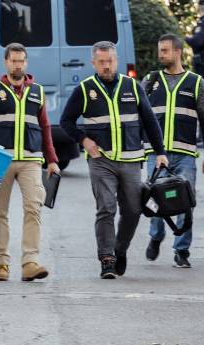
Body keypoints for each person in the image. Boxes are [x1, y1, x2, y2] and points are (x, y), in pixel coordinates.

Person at [60, 41, 169, 280]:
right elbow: (66, 121)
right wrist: (84, 140)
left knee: (132, 210)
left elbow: (150, 121)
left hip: (131, 159)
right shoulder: (84, 89)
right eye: (101, 62)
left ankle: (120, 250)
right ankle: (107, 258)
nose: (106, 66)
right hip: (101, 160)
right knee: (106, 208)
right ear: (93, 63)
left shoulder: (133, 86)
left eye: (110, 61)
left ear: (116, 60)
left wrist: (160, 152)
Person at [0, 43, 60, 282]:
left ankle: (30, 262)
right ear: (6, 63)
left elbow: (44, 127)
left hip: (31, 160)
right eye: (13, 61)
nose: (18, 65)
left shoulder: (38, 92)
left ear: (26, 63)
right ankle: (1, 264)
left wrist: (52, 160)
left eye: (21, 60)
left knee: (34, 208)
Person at [142, 34, 204, 269]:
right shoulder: (150, 81)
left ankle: (181, 250)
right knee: (154, 198)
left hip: (185, 155)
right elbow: (138, 115)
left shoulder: (195, 82)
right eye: (159, 50)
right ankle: (156, 235)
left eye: (164, 50)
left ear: (178, 52)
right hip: (156, 153)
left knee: (185, 202)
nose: (160, 54)